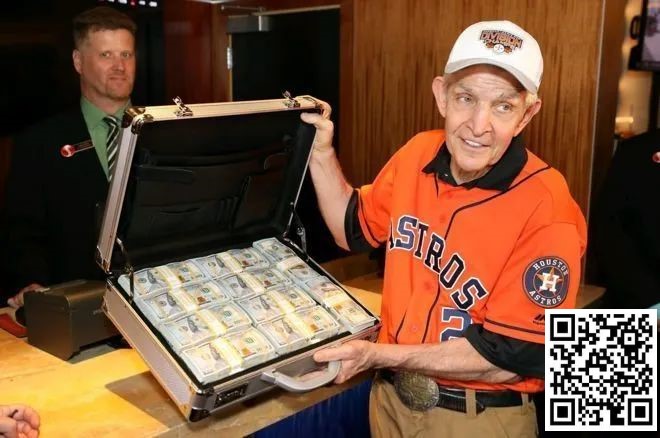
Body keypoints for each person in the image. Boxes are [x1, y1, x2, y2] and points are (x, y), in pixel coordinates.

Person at [303, 21, 587, 437]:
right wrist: (320, 153)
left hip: (477, 419)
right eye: (466, 98)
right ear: (441, 95)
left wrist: (377, 355)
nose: (478, 124)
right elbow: (351, 228)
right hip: (389, 404)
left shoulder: (548, 204)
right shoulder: (418, 152)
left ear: (527, 114)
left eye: (503, 106)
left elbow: (512, 357)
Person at [1, 6, 136, 309]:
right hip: (74, 307)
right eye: (106, 55)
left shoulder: (165, 131)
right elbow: (21, 230)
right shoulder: (39, 143)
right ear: (78, 61)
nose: (119, 66)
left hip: (156, 304)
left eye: (126, 54)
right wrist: (30, 283)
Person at [592, 129, 660, 309]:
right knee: (560, 326)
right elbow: (609, 230)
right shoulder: (637, 150)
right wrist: (652, 301)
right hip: (639, 303)